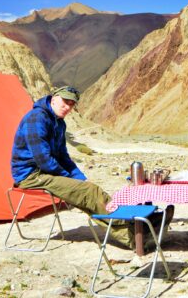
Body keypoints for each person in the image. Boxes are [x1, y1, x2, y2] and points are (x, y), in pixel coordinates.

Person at [11, 86, 132, 247]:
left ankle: (131, 233)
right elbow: (43, 159)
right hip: (31, 175)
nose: (67, 107)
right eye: (64, 102)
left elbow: (63, 156)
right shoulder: (36, 119)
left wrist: (79, 178)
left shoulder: (59, 123)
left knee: (86, 190)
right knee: (89, 192)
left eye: (71, 104)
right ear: (53, 99)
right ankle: (127, 224)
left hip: (46, 172)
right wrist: (68, 178)